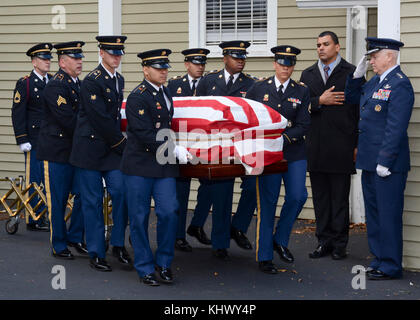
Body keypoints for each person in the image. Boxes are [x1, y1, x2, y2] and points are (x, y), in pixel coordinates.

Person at [345, 37, 414, 280]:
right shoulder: (376, 81)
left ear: (389, 56)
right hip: (370, 161)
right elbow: (353, 99)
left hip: (388, 165)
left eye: (374, 56)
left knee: (388, 215)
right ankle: (379, 259)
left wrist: (385, 160)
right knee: (374, 215)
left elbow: (395, 127)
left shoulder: (400, 85)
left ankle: (391, 265)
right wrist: (356, 76)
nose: (371, 61)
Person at [121, 49, 191, 286]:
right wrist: (174, 149)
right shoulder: (138, 96)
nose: (163, 72)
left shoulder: (166, 92)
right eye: (159, 69)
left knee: (169, 211)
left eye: (165, 68)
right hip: (140, 165)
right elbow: (144, 134)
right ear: (145, 69)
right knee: (139, 217)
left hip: (163, 166)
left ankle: (164, 263)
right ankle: (144, 267)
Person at [247, 45, 310, 273]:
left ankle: (280, 239)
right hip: (267, 155)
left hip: (293, 151)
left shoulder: (302, 91)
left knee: (297, 196)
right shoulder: (258, 88)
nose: (286, 68)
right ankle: (264, 256)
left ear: (293, 66)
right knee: (268, 203)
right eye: (282, 64)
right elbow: (251, 121)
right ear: (274, 64)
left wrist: (281, 139)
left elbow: (304, 125)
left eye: (290, 64)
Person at [70, 36, 130, 271]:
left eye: (119, 53)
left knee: (122, 192)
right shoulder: (92, 81)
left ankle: (117, 243)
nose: (116, 57)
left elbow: (115, 116)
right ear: (101, 54)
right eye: (112, 53)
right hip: (90, 150)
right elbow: (100, 119)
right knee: (93, 201)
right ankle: (96, 251)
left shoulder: (119, 79)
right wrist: (121, 144)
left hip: (110, 150)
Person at [195, 40, 257, 260]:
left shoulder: (252, 84)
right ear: (224, 58)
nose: (241, 61)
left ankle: (238, 226)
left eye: (243, 57)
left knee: (253, 185)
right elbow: (198, 112)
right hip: (216, 146)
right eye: (236, 57)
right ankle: (220, 243)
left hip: (243, 144)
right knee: (222, 192)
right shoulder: (209, 81)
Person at [300, 31, 359, 260]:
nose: (321, 48)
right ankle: (323, 242)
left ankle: (339, 244)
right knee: (321, 199)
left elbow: (358, 111)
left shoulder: (352, 73)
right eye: (318, 45)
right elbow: (300, 106)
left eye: (326, 44)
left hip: (342, 146)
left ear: (337, 46)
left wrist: (356, 144)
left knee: (339, 198)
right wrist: (319, 102)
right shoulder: (308, 74)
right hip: (316, 146)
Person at [37, 41, 86, 259]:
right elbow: (68, 119)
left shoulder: (80, 84)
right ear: (62, 61)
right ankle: (58, 244)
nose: (80, 62)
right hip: (57, 152)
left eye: (80, 58)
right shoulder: (56, 85)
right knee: (58, 200)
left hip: (76, 151)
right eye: (75, 58)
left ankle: (74, 236)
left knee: (85, 194)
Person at [167, 48, 212, 252]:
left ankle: (197, 224)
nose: (200, 67)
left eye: (202, 63)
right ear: (187, 65)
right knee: (181, 192)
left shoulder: (210, 84)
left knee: (210, 185)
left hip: (204, 145)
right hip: (181, 145)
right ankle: (178, 236)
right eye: (196, 63)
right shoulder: (175, 84)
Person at [11, 43, 53, 232]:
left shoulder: (52, 81)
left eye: (48, 59)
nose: (48, 62)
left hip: (51, 138)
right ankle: (33, 218)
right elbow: (18, 113)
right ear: (34, 62)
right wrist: (22, 139)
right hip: (33, 139)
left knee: (48, 179)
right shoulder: (25, 83)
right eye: (44, 59)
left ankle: (45, 213)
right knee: (34, 179)